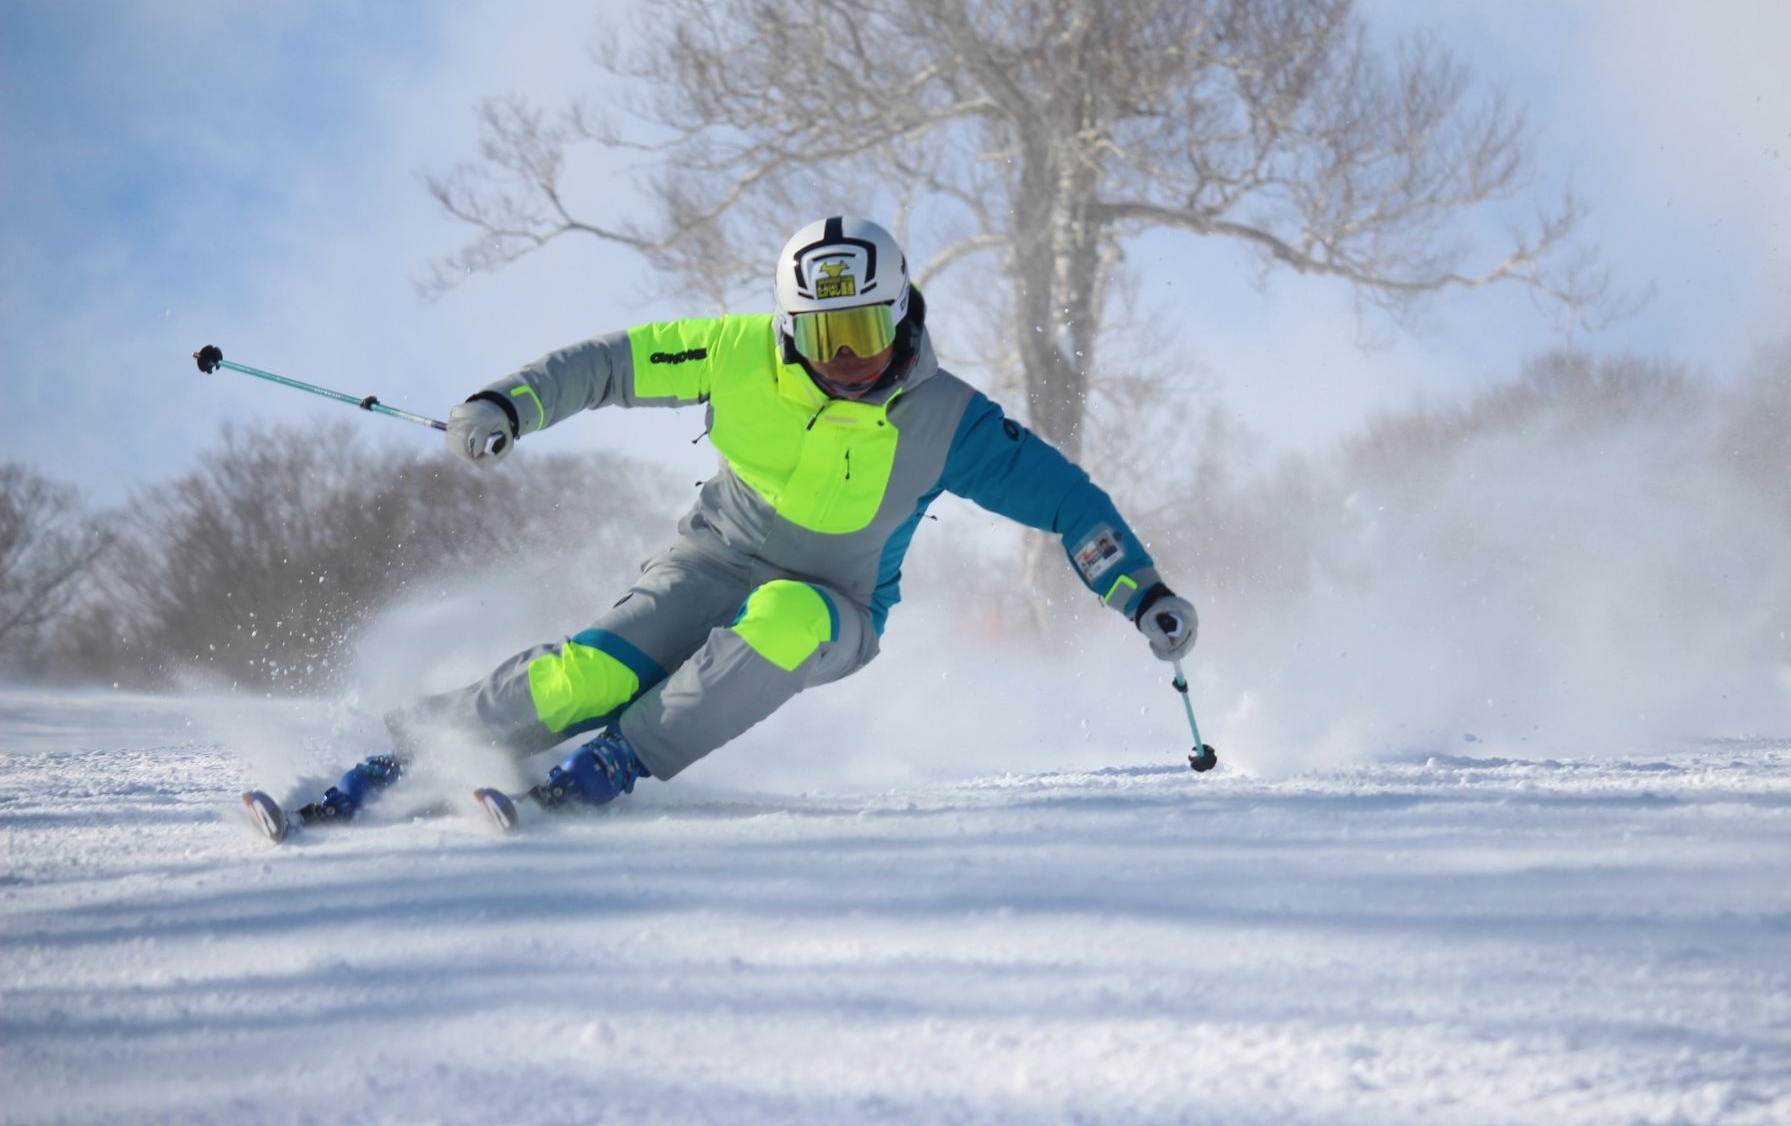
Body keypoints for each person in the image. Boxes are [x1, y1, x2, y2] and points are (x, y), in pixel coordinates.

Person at [299, 217, 1198, 823]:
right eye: (823, 337)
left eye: (867, 333)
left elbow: (1068, 501)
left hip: (837, 604)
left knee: (787, 619)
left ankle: (616, 763)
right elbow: (610, 363)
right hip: (711, 559)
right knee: (591, 674)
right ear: (788, 327)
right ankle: (424, 746)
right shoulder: (735, 354)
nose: (847, 361)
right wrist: (508, 402)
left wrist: (1141, 589)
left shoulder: (947, 419)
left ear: (904, 314)